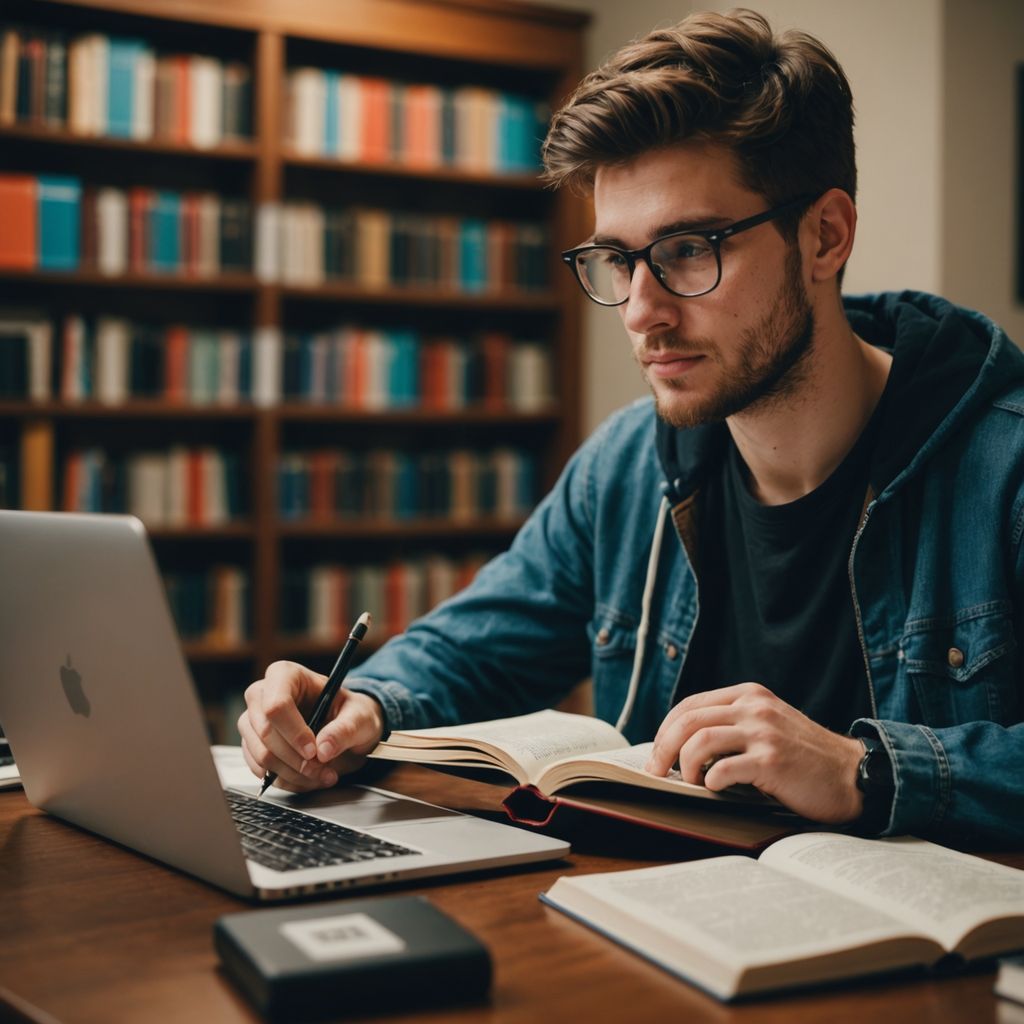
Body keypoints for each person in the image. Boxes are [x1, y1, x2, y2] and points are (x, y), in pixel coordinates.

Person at [239, 9, 1024, 842]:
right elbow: (476, 644)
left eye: (688, 249)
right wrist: (358, 703)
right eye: (618, 259)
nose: (641, 314)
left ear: (824, 236)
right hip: (668, 934)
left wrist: (864, 770)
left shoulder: (1003, 466)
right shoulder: (624, 466)